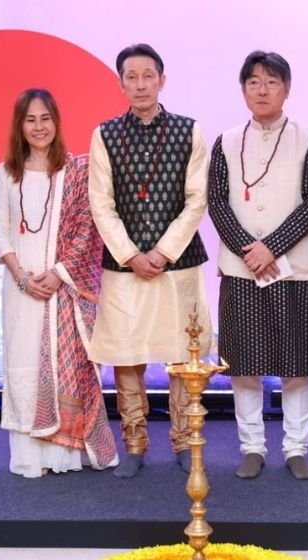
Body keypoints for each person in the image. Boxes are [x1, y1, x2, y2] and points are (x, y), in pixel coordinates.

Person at [86, 43, 211, 479]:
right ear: (121, 83)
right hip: (124, 268)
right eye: (131, 77)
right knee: (127, 356)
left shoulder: (188, 131)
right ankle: (135, 445)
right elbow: (101, 203)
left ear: (162, 80)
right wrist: (131, 255)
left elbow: (197, 199)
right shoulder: (104, 135)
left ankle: (184, 441)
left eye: (148, 76)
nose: (140, 84)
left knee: (182, 355)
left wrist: (162, 251)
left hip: (178, 265)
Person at [207, 51, 308, 481]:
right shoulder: (225, 141)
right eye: (254, 82)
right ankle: (252, 448)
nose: (262, 90)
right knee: (244, 366)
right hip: (241, 269)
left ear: (287, 89)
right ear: (243, 89)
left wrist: (271, 248)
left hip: (295, 269)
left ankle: (296, 449)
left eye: (272, 82)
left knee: (297, 365)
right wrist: (249, 250)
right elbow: (217, 201)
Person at [0, 89, 118, 477]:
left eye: (45, 118)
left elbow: (86, 231)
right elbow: (1, 232)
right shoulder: (5, 174)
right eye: (30, 119)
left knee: (64, 367)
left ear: (56, 122)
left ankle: (62, 455)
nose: (39, 127)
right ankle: (31, 456)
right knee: (25, 363)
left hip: (63, 287)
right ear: (19, 125)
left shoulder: (74, 172)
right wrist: (22, 278)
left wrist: (58, 274)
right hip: (21, 289)